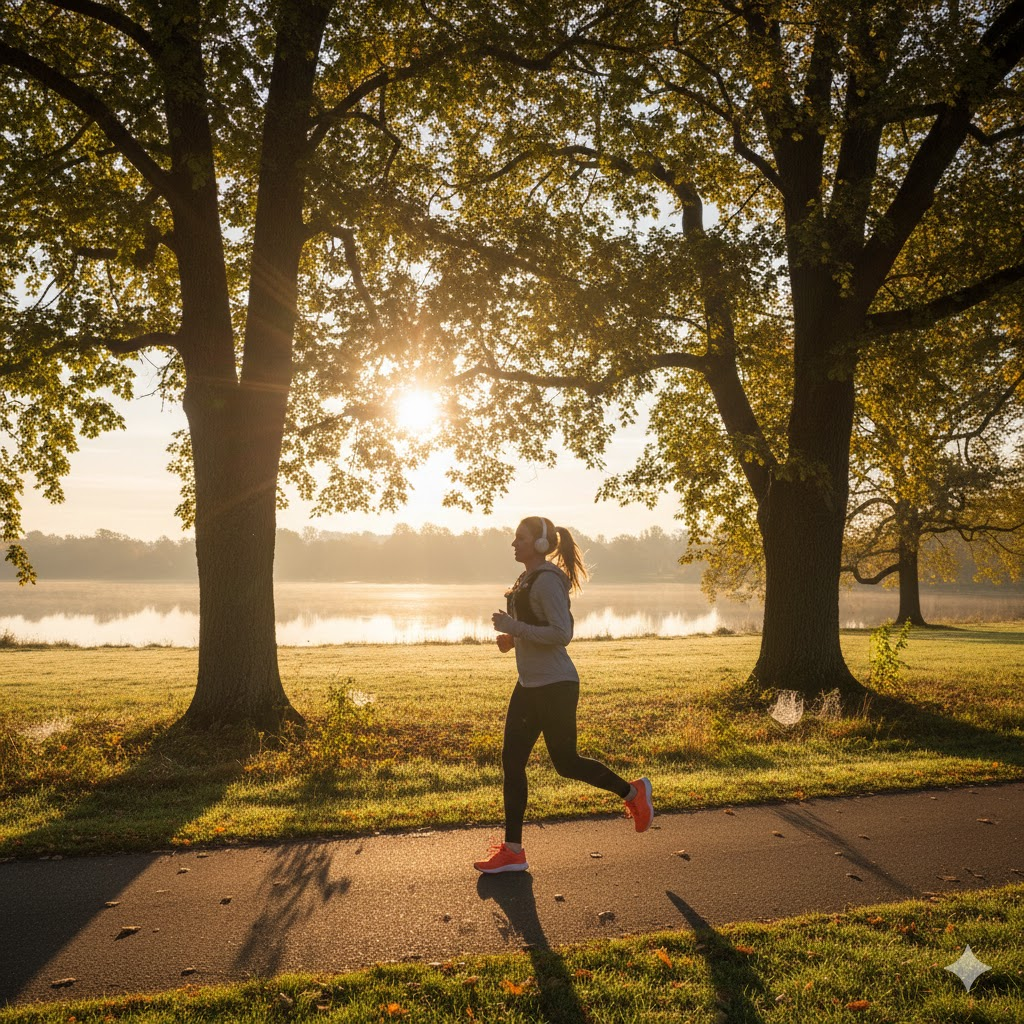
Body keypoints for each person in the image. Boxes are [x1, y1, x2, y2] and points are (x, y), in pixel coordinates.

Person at [473, 516, 653, 874]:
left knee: (566, 763)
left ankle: (634, 794)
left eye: (520, 538)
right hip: (529, 685)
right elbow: (537, 629)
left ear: (540, 545)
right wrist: (514, 639)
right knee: (512, 761)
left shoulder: (547, 583)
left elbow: (561, 633)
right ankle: (513, 851)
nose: (513, 544)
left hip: (555, 685)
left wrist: (514, 627)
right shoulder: (527, 578)